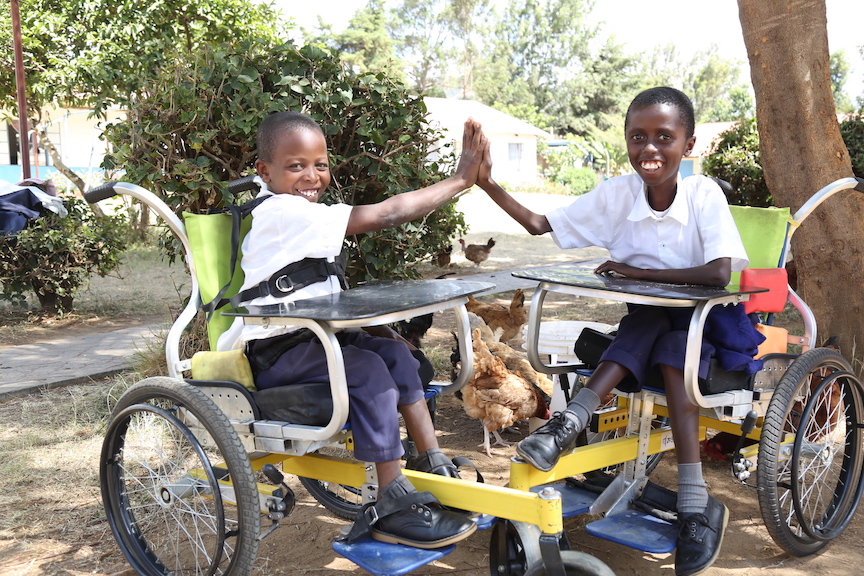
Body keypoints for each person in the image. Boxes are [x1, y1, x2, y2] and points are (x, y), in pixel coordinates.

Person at [476, 87, 760, 576]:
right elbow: (541, 223)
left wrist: (635, 273)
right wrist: (486, 184)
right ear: (627, 141)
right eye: (638, 137)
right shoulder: (618, 194)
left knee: (669, 335)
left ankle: (687, 499)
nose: (649, 149)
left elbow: (716, 274)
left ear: (688, 145)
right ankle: (583, 434)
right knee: (650, 322)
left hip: (708, 329)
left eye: (664, 137)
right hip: (646, 332)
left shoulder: (702, 194)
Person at [217, 110, 488, 549]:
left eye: (320, 165)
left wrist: (384, 334)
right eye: (296, 166)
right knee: (365, 370)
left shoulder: (308, 215)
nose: (312, 176)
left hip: (317, 339)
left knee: (399, 355)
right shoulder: (282, 212)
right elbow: (386, 214)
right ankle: (389, 500)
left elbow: (328, 296)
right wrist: (460, 180)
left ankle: (432, 462)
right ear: (264, 173)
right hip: (276, 350)